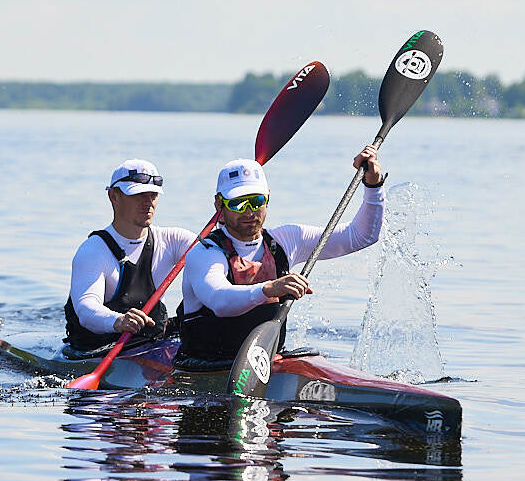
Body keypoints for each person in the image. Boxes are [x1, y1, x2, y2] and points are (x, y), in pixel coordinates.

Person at [176, 146, 385, 365]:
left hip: (265, 362)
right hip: (204, 365)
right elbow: (219, 300)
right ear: (219, 204)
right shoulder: (205, 254)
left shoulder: (286, 240)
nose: (249, 212)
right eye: (237, 203)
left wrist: (373, 185)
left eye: (256, 201)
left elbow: (362, 236)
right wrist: (270, 288)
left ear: (267, 198)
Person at [64, 159, 196, 355]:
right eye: (138, 194)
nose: (148, 202)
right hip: (95, 350)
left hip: (149, 346)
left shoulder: (172, 240)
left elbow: (215, 253)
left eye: (153, 195)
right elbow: (86, 309)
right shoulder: (93, 251)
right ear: (113, 196)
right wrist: (118, 321)